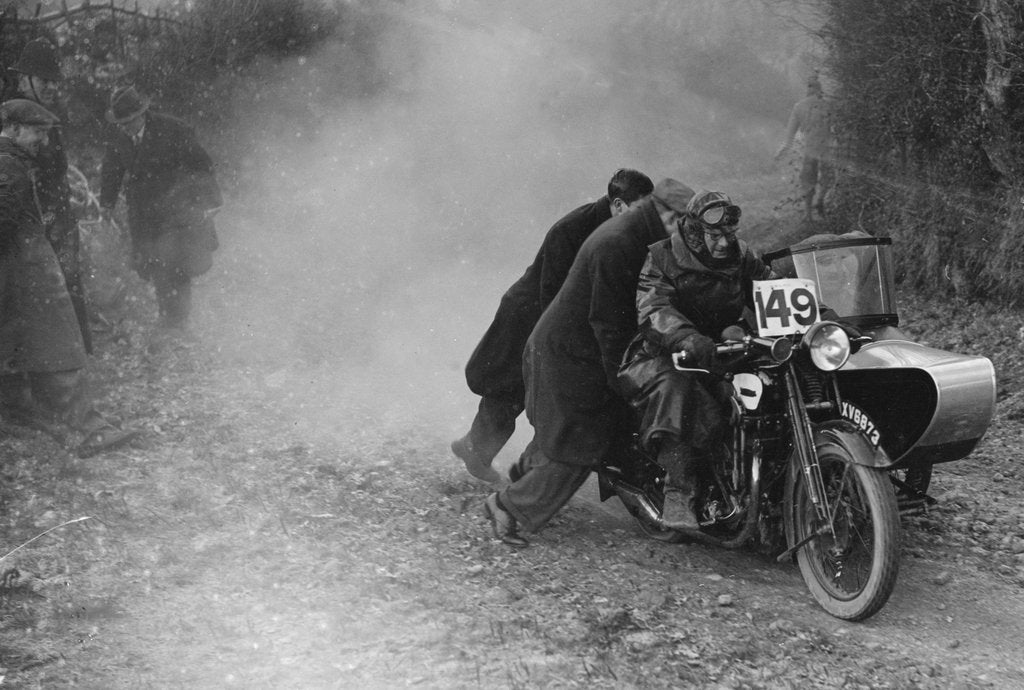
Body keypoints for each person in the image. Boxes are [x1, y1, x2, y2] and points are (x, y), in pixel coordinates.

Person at [481, 178, 695, 546]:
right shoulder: (618, 242)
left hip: (572, 350)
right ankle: (508, 507)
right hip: (568, 355)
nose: (685, 233)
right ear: (663, 212)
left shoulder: (635, 232)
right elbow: (607, 323)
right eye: (681, 223)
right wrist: (623, 378)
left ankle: (521, 477)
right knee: (580, 445)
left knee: (564, 434)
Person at [451, 169, 654, 483]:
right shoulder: (572, 230)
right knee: (512, 392)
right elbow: (553, 294)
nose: (645, 219)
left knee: (530, 395)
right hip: (531, 317)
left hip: (558, 320)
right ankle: (501, 465)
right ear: (617, 205)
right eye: (640, 210)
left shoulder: (622, 230)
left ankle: (488, 456)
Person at [617, 190, 775, 530]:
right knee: (681, 390)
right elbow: (654, 309)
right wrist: (685, 337)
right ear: (694, 231)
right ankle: (679, 490)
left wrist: (819, 316)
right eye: (715, 235)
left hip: (720, 352)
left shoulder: (742, 256)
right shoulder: (661, 257)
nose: (723, 244)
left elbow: (773, 290)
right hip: (662, 354)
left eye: (729, 235)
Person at [0, 99, 137, 457]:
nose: (42, 142)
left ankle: (28, 417)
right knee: (60, 348)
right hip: (29, 274)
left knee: (17, 348)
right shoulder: (9, 165)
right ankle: (87, 429)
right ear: (13, 130)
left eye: (45, 135)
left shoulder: (12, 162)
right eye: (36, 133)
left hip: (18, 273)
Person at [99, 86, 222, 329]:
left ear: (141, 114)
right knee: (153, 261)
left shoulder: (173, 130)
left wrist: (208, 200)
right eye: (120, 123)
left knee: (175, 261)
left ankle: (176, 318)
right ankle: (169, 314)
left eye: (128, 122)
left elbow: (202, 165)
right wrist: (106, 204)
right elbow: (111, 170)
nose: (124, 127)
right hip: (143, 212)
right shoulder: (120, 137)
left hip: (176, 206)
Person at [5, 38, 92, 352]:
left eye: (56, 81)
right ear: (22, 80)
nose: (53, 87)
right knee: (33, 311)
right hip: (29, 233)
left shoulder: (48, 117)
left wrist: (65, 203)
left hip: (59, 227)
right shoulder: (12, 120)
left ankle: (71, 371)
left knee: (65, 300)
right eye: (44, 81)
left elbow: (53, 173)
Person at [775, 73, 834, 221]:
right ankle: (819, 201)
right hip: (825, 147)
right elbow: (837, 129)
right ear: (819, 89)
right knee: (826, 177)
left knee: (808, 179)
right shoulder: (827, 105)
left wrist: (784, 148)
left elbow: (790, 133)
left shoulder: (799, 107)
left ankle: (809, 213)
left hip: (811, 148)